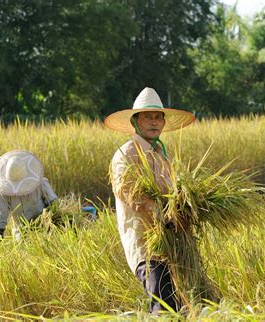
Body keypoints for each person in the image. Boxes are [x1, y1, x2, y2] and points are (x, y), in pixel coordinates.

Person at [105, 87, 195, 315]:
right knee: (163, 305)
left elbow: (175, 192)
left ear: (164, 123)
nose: (154, 122)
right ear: (136, 122)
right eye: (147, 117)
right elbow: (129, 191)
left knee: (179, 306)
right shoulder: (126, 155)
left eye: (158, 117)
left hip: (171, 244)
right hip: (145, 243)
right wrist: (158, 211)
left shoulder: (163, 156)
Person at [0, 150, 58, 239]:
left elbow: (53, 203)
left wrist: (51, 220)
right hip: (20, 236)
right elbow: (0, 215)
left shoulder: (40, 184)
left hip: (44, 233)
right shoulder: (5, 192)